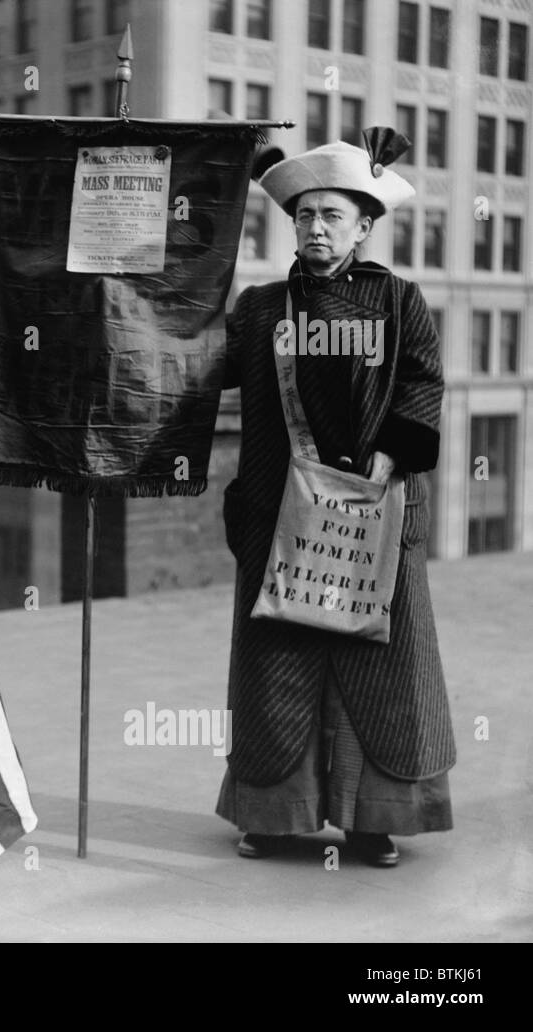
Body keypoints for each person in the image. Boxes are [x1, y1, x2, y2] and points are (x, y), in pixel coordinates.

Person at [218, 131, 453, 867]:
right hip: (276, 513)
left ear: (364, 226)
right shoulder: (260, 310)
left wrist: (386, 458)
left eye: (331, 216)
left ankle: (372, 820)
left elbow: (421, 384)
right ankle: (274, 816)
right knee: (279, 661)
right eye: (304, 216)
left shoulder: (398, 301)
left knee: (375, 667)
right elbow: (202, 370)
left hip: (374, 512)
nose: (315, 228)